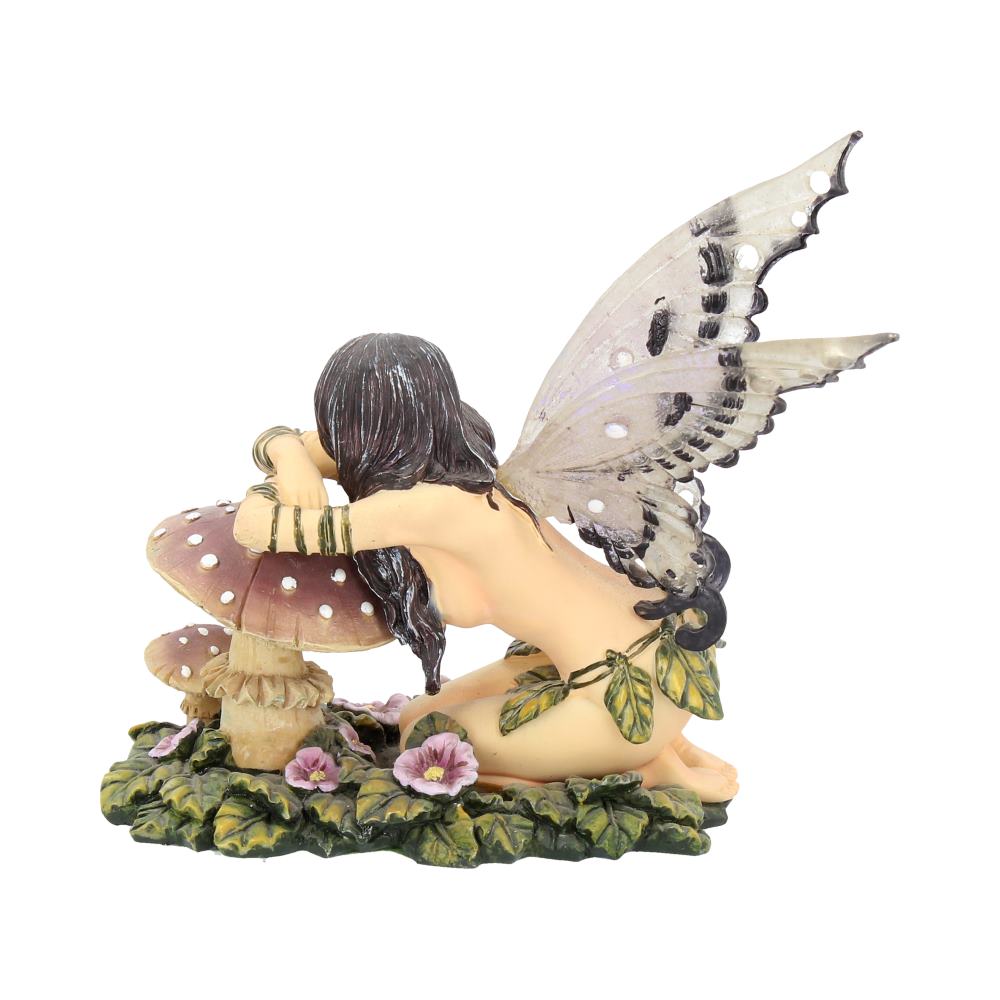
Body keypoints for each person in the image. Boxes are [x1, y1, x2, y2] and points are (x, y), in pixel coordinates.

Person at [234, 333, 737, 801]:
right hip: (659, 649)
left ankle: (643, 766)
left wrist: (285, 471)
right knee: (418, 715)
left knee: (428, 741)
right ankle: (653, 744)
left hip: (620, 694)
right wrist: (288, 453)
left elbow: (256, 528)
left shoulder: (421, 507)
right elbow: (296, 441)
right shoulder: (469, 465)